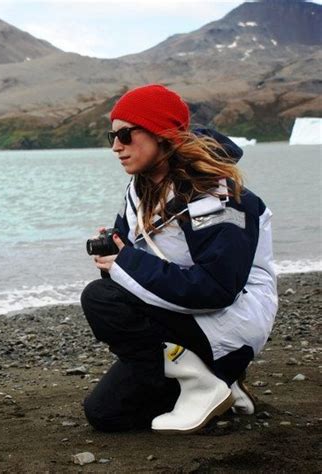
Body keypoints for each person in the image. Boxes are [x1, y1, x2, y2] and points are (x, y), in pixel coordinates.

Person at [81, 84, 278, 434]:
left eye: (126, 134)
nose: (116, 146)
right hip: (183, 315)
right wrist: (114, 253)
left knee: (101, 300)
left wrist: (124, 262)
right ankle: (219, 382)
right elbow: (128, 261)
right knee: (106, 414)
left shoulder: (217, 196)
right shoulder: (140, 189)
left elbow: (218, 288)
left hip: (230, 320)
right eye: (112, 135)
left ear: (162, 134)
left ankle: (208, 379)